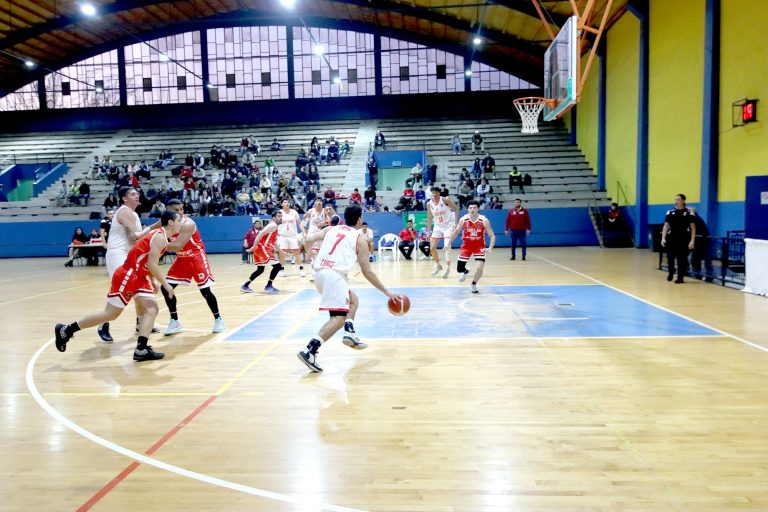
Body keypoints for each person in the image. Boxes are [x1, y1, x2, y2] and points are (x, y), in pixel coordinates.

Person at [54, 211, 182, 361]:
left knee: (152, 308)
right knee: (110, 314)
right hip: (128, 275)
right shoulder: (159, 237)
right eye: (178, 220)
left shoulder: (160, 236)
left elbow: (145, 259)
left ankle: (141, 349)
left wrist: (152, 280)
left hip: (139, 276)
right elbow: (152, 264)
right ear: (171, 222)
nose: (181, 223)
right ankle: (66, 330)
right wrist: (166, 284)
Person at [297, 205, 398, 373]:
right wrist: (387, 292)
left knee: (353, 300)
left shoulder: (330, 229)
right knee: (338, 319)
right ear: (359, 219)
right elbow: (367, 272)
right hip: (335, 277)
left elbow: (308, 240)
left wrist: (309, 254)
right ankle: (310, 351)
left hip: (319, 275)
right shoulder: (360, 238)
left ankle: (349, 332)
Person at [160, 200, 225, 335]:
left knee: (205, 291)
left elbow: (177, 245)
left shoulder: (188, 224)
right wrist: (140, 235)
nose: (180, 212)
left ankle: (218, 319)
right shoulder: (165, 222)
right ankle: (175, 321)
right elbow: (151, 230)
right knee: (166, 288)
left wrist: (153, 244)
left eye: (181, 209)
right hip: (181, 258)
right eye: (176, 210)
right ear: (167, 210)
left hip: (196, 256)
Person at [98, 187, 153, 342]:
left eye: (138, 194)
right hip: (118, 253)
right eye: (133, 194)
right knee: (121, 289)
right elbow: (134, 237)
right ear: (124, 198)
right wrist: (152, 230)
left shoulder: (133, 214)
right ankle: (103, 325)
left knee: (137, 286)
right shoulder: (125, 212)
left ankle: (140, 324)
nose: (137, 196)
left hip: (128, 254)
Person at [450, 200, 496, 293]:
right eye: (470, 208)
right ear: (468, 209)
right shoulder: (463, 219)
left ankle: (473, 284)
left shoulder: (484, 220)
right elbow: (456, 231)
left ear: (478, 209)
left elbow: (492, 236)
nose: (472, 209)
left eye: (474, 207)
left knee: (479, 268)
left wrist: (490, 247)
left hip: (479, 247)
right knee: (459, 269)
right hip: (466, 246)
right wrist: (448, 243)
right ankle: (465, 271)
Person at [241, 210, 283, 294]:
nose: (281, 218)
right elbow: (260, 234)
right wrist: (254, 246)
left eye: (281, 216)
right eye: (279, 216)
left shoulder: (274, 227)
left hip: (260, 248)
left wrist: (281, 251)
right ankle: (268, 286)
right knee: (278, 266)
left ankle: (245, 286)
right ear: (274, 218)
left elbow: (273, 241)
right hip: (262, 248)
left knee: (260, 270)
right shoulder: (273, 225)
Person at [661, 194, 696, 283]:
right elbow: (666, 225)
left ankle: (680, 277)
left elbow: (693, 227)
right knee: (670, 257)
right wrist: (663, 238)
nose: (676, 201)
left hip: (684, 239)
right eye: (675, 200)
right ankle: (671, 272)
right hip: (672, 238)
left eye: (678, 199)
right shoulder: (670, 212)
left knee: (681, 259)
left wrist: (692, 241)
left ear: (683, 201)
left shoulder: (689, 213)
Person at [426, 186, 459, 278]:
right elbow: (429, 217)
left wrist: (456, 222)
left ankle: (447, 269)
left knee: (446, 247)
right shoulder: (429, 204)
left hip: (448, 225)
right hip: (438, 226)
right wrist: (428, 231)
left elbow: (456, 208)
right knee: (432, 248)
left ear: (439, 193)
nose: (434, 194)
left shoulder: (444, 200)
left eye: (436, 192)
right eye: (433, 192)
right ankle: (437, 265)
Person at [276, 199, 306, 278]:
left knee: (296, 253)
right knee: (282, 254)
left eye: (288, 202)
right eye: (285, 202)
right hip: (282, 236)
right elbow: (275, 223)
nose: (287, 203)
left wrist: (303, 231)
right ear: (282, 204)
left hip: (293, 236)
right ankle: (281, 271)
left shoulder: (294, 212)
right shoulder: (279, 213)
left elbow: (299, 223)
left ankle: (301, 270)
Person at [688, 207, 714, 281]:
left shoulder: (697, 218)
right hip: (697, 242)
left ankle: (709, 276)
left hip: (705, 242)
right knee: (695, 259)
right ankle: (697, 275)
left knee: (707, 260)